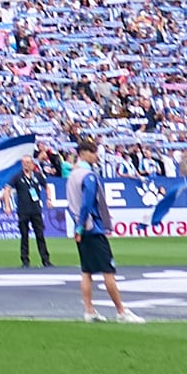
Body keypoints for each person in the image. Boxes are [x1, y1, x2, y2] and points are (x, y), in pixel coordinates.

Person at [63, 135, 142, 324]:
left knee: (87, 271)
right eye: (93, 153)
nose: (96, 156)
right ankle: (121, 311)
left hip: (81, 226)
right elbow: (87, 203)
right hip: (92, 228)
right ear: (84, 154)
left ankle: (89, 310)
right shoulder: (87, 176)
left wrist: (78, 226)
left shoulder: (72, 175)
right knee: (108, 271)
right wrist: (83, 225)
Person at [12, 151, 54, 268]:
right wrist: (7, 205)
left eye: (28, 162)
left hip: (35, 210)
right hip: (23, 210)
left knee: (40, 235)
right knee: (24, 236)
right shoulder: (17, 176)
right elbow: (7, 189)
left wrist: (49, 199)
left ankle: (45, 260)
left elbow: (47, 187)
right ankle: (25, 260)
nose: (26, 165)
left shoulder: (37, 175)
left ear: (32, 164)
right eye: (24, 163)